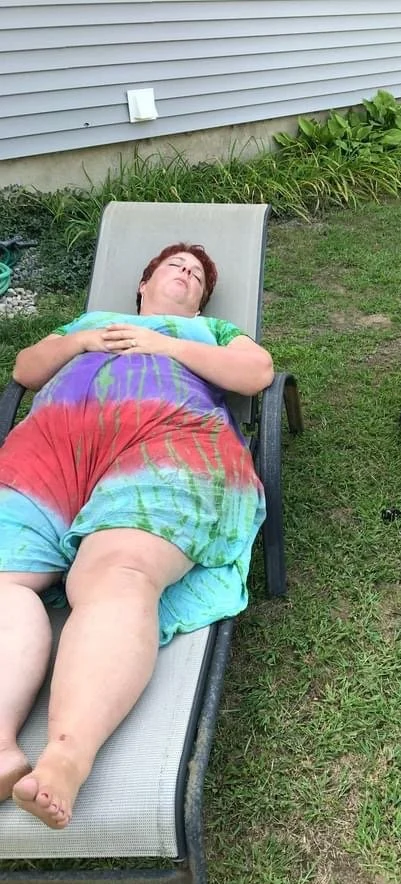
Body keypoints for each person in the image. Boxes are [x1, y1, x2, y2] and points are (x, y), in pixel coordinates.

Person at [0, 242, 274, 829]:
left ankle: (67, 755)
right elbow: (26, 370)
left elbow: (257, 374)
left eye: (197, 275)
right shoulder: (90, 323)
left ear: (200, 300)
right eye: (174, 266)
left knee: (117, 570)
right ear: (143, 285)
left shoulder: (210, 331)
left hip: (169, 441)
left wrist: (166, 343)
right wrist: (80, 342)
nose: (185, 273)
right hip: (50, 451)